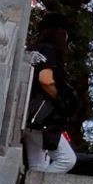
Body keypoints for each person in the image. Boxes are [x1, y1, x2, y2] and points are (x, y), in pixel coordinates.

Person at [25, 12, 77, 175]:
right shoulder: (48, 49)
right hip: (40, 118)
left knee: (37, 166)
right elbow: (45, 79)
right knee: (66, 159)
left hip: (26, 114)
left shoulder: (30, 50)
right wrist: (60, 98)